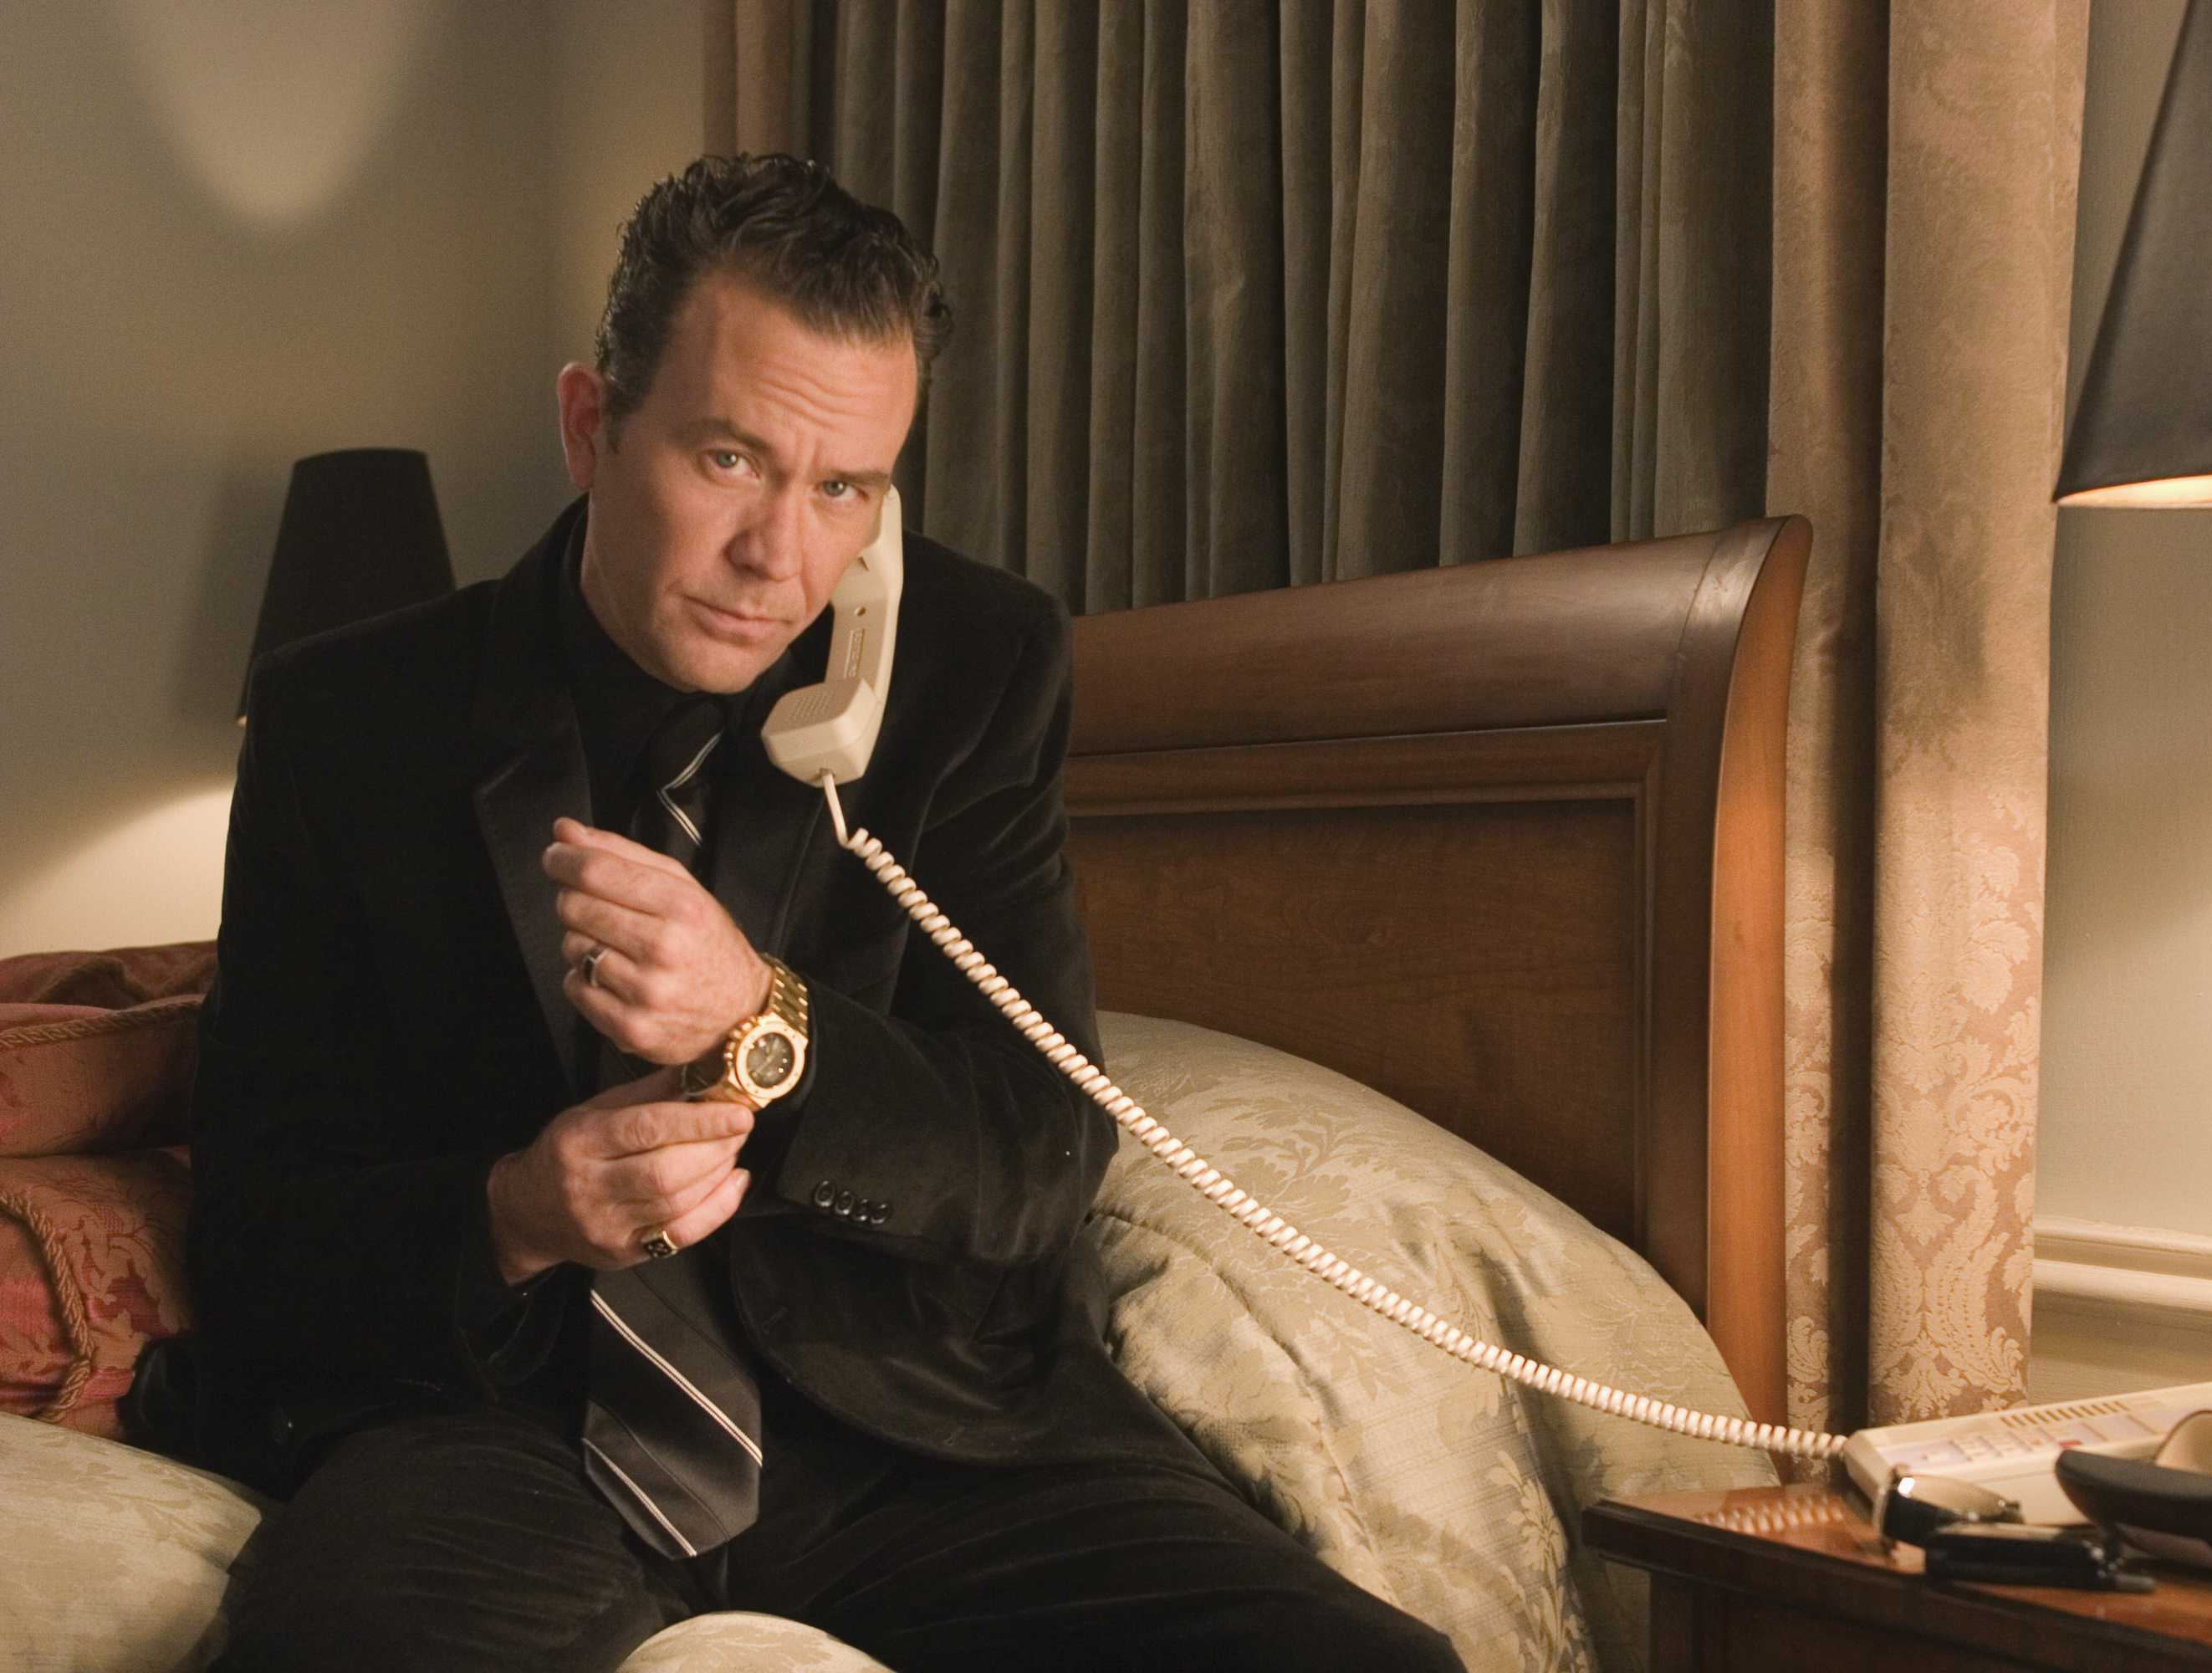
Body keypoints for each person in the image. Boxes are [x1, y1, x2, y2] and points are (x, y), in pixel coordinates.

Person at [185, 154, 1463, 1673]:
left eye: (845, 488)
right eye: (730, 459)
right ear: (592, 426)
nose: (779, 559)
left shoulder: (972, 671)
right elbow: (256, 1228)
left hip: (915, 1436)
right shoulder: (347, 719)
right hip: (502, 1427)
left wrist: (761, 1020)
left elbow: (1037, 1157)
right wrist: (516, 1212)